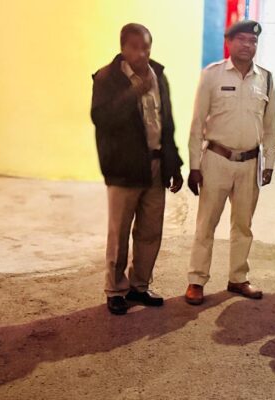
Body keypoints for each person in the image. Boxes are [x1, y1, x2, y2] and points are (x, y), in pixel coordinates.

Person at [91, 23, 184, 315]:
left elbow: (167, 124)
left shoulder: (159, 75)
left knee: (150, 230)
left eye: (146, 47)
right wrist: (133, 93)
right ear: (123, 48)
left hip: (156, 165)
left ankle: (139, 286)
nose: (142, 53)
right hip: (124, 168)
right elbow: (102, 118)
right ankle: (115, 289)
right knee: (119, 233)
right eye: (135, 47)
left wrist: (174, 165)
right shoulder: (107, 78)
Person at [185, 20, 275, 305]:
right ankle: (196, 280)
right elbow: (197, 123)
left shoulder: (266, 79)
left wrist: (269, 162)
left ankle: (238, 278)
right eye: (242, 40)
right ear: (229, 42)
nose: (247, 45)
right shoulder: (212, 75)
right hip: (216, 160)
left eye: (253, 41)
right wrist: (194, 166)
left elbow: (271, 125)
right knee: (206, 224)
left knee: (243, 225)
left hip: (250, 163)